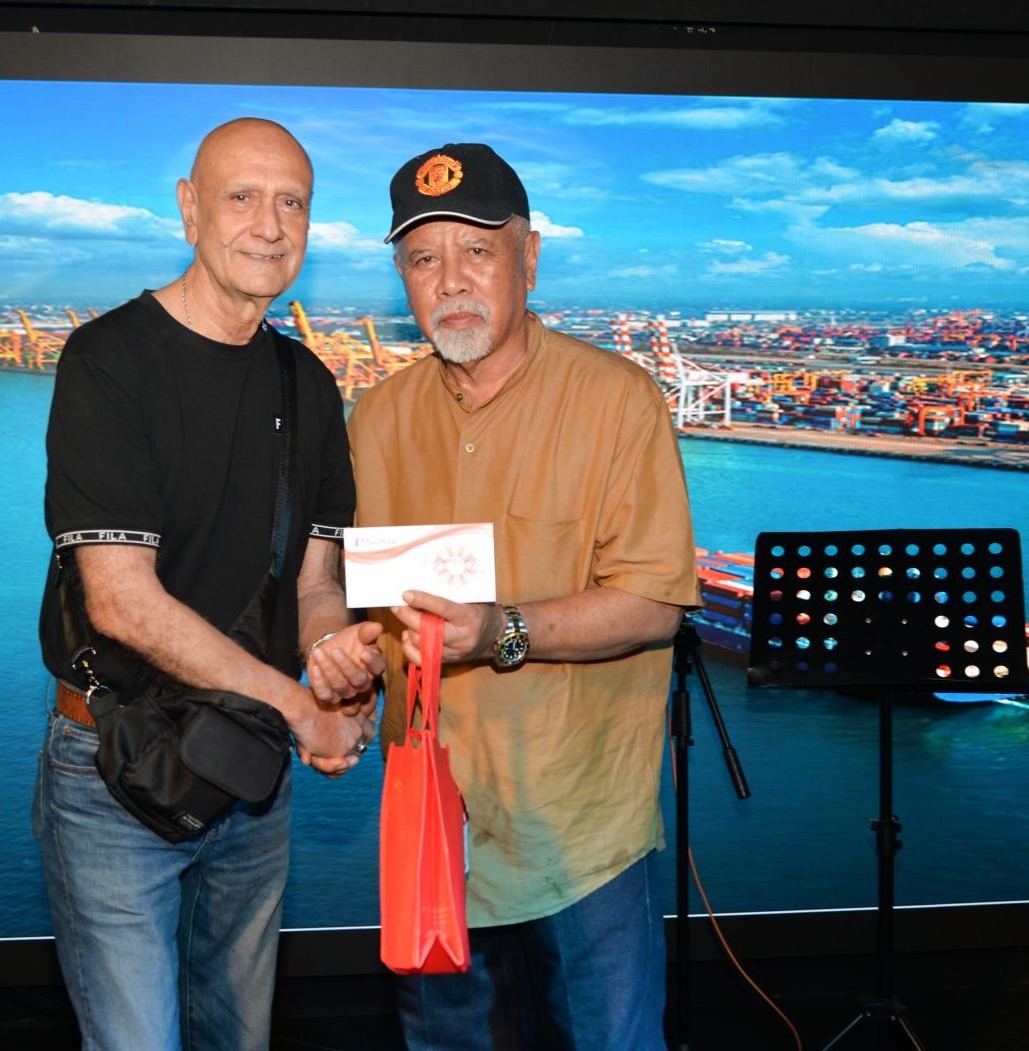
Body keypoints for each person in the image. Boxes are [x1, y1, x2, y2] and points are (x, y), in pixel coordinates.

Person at [33, 117, 385, 1051]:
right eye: (242, 197)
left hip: (248, 769)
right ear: (190, 210)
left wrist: (336, 657)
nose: (269, 225)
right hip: (115, 767)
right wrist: (300, 707)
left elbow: (314, 581)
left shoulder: (307, 383)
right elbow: (120, 601)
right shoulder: (108, 361)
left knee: (240, 1037)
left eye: (292, 203)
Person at [347, 143, 701, 1050]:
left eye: (478, 250)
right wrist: (341, 658)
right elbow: (359, 602)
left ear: (530, 259)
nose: (451, 281)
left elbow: (656, 602)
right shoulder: (376, 419)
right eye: (423, 258)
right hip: (431, 816)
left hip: (578, 825)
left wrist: (501, 628)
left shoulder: (618, 402)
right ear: (402, 278)